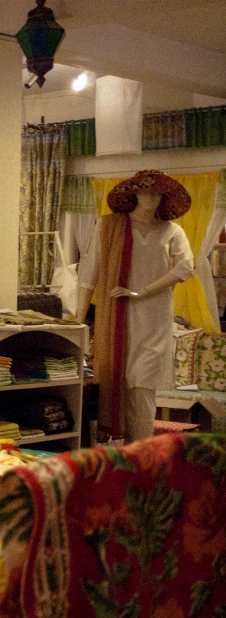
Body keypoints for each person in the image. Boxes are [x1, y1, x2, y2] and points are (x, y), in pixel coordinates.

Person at [76, 170, 194, 442]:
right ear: (133, 194)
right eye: (144, 191)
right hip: (116, 316)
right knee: (120, 381)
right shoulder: (109, 227)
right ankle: (129, 452)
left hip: (154, 318)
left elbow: (185, 268)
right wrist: (79, 322)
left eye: (156, 193)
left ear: (164, 197)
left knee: (143, 385)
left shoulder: (172, 231)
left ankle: (140, 452)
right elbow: (89, 273)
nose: (150, 197)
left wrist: (142, 292)